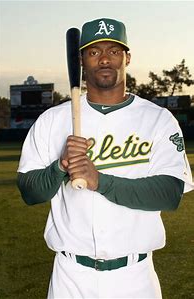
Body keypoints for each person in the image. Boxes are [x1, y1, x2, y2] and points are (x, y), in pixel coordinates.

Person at [17, 18, 194, 299]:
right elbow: (29, 191)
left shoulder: (158, 119)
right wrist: (60, 166)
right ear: (81, 60)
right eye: (94, 52)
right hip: (70, 276)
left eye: (113, 51)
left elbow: (169, 194)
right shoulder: (52, 120)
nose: (104, 60)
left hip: (135, 277)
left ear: (127, 57)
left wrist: (98, 180)